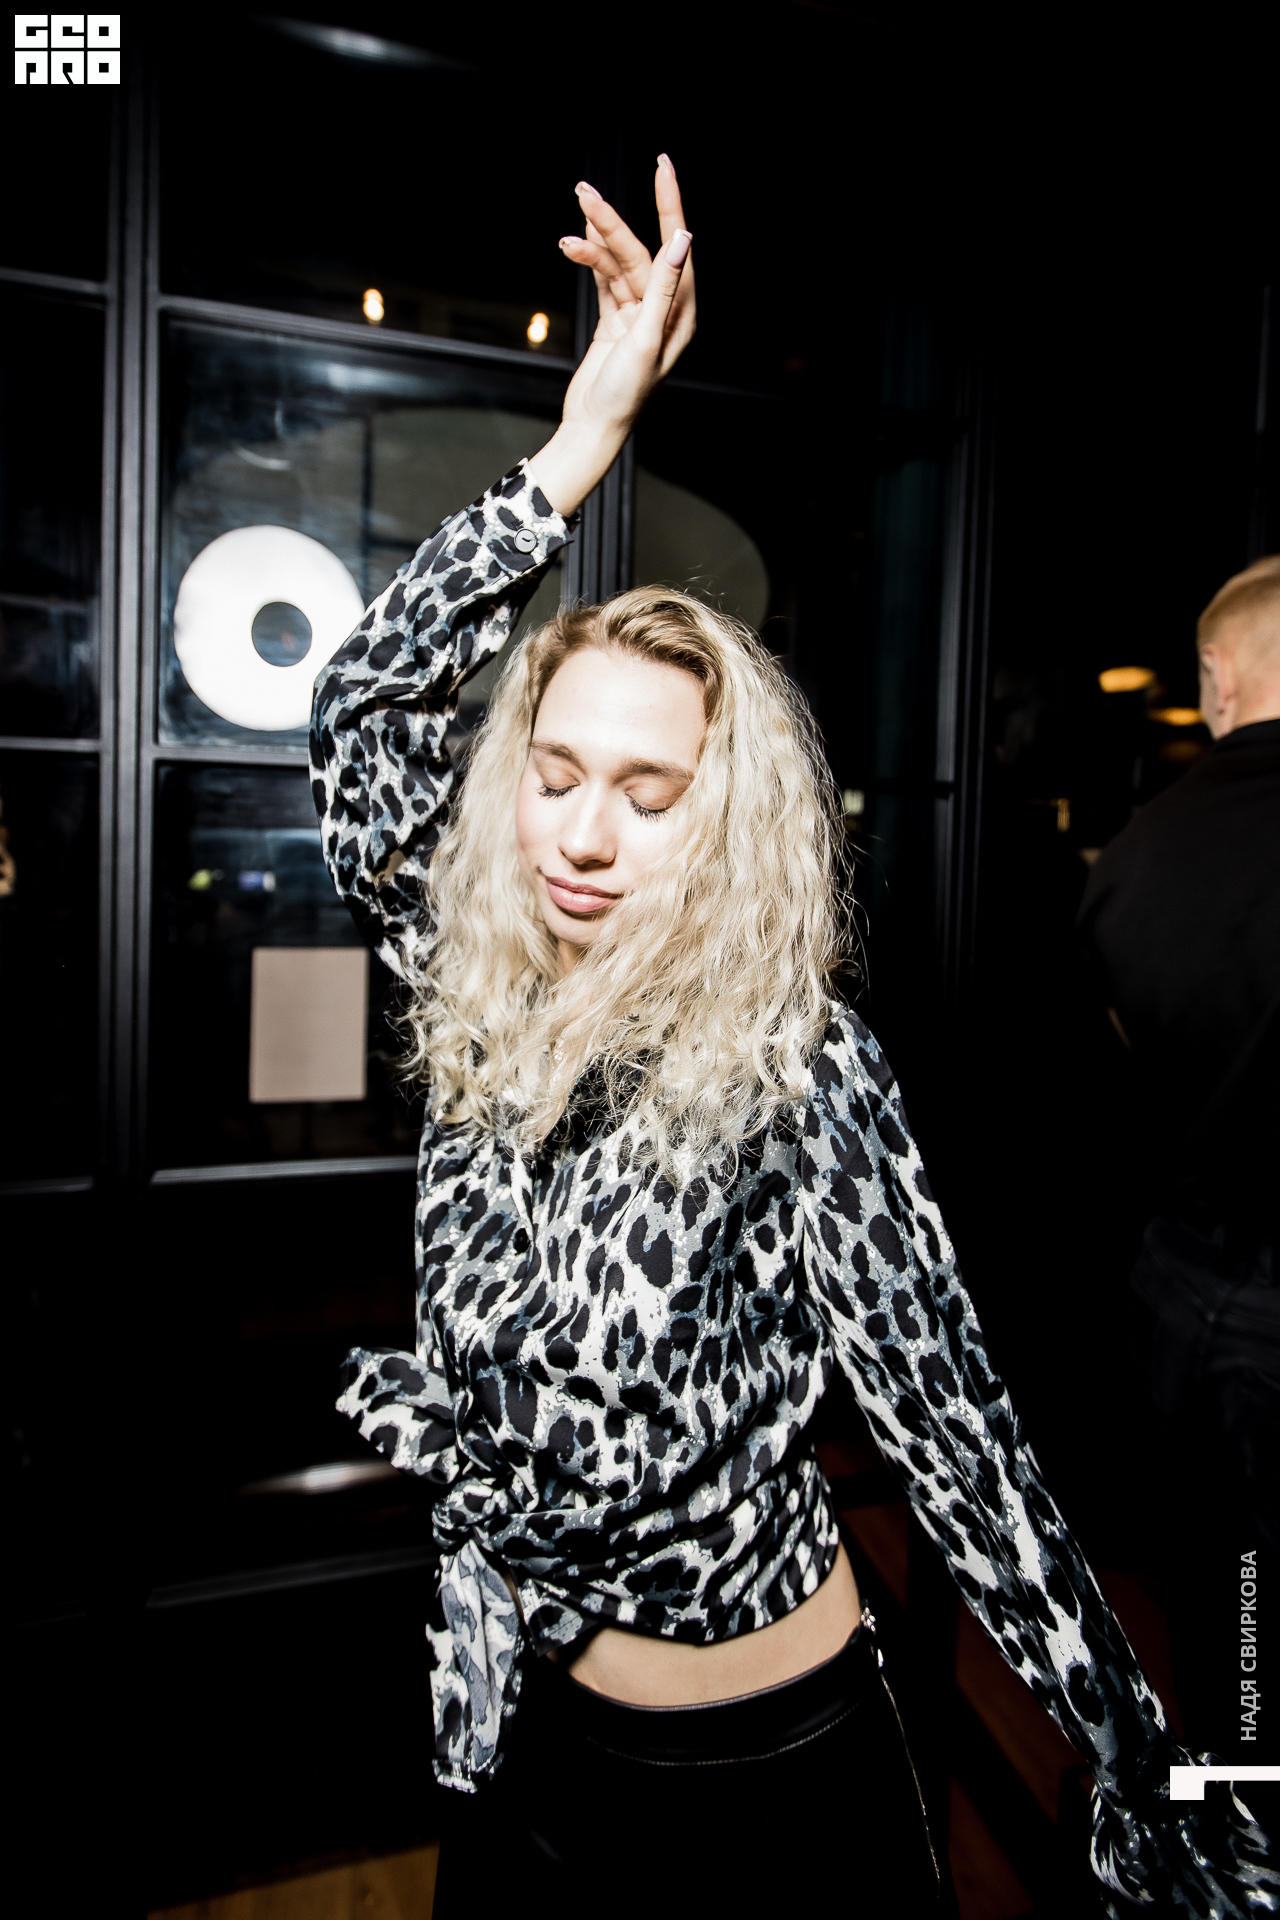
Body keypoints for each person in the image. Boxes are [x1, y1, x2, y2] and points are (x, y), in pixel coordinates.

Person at [311, 161, 1276, 1916]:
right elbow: (361, 712)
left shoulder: (790, 1065)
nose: (583, 833)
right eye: (555, 773)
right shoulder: (482, 984)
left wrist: (1151, 1772)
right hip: (523, 1730)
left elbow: (953, 1430)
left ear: (723, 820)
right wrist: (583, 438)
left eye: (647, 792)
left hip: (759, 1778)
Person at [1078, 557, 1280, 1779]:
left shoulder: (1133, 855)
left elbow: (1117, 1054)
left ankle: (1226, 1794)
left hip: (1175, 1284)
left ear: (1214, 677)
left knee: (1216, 1595)